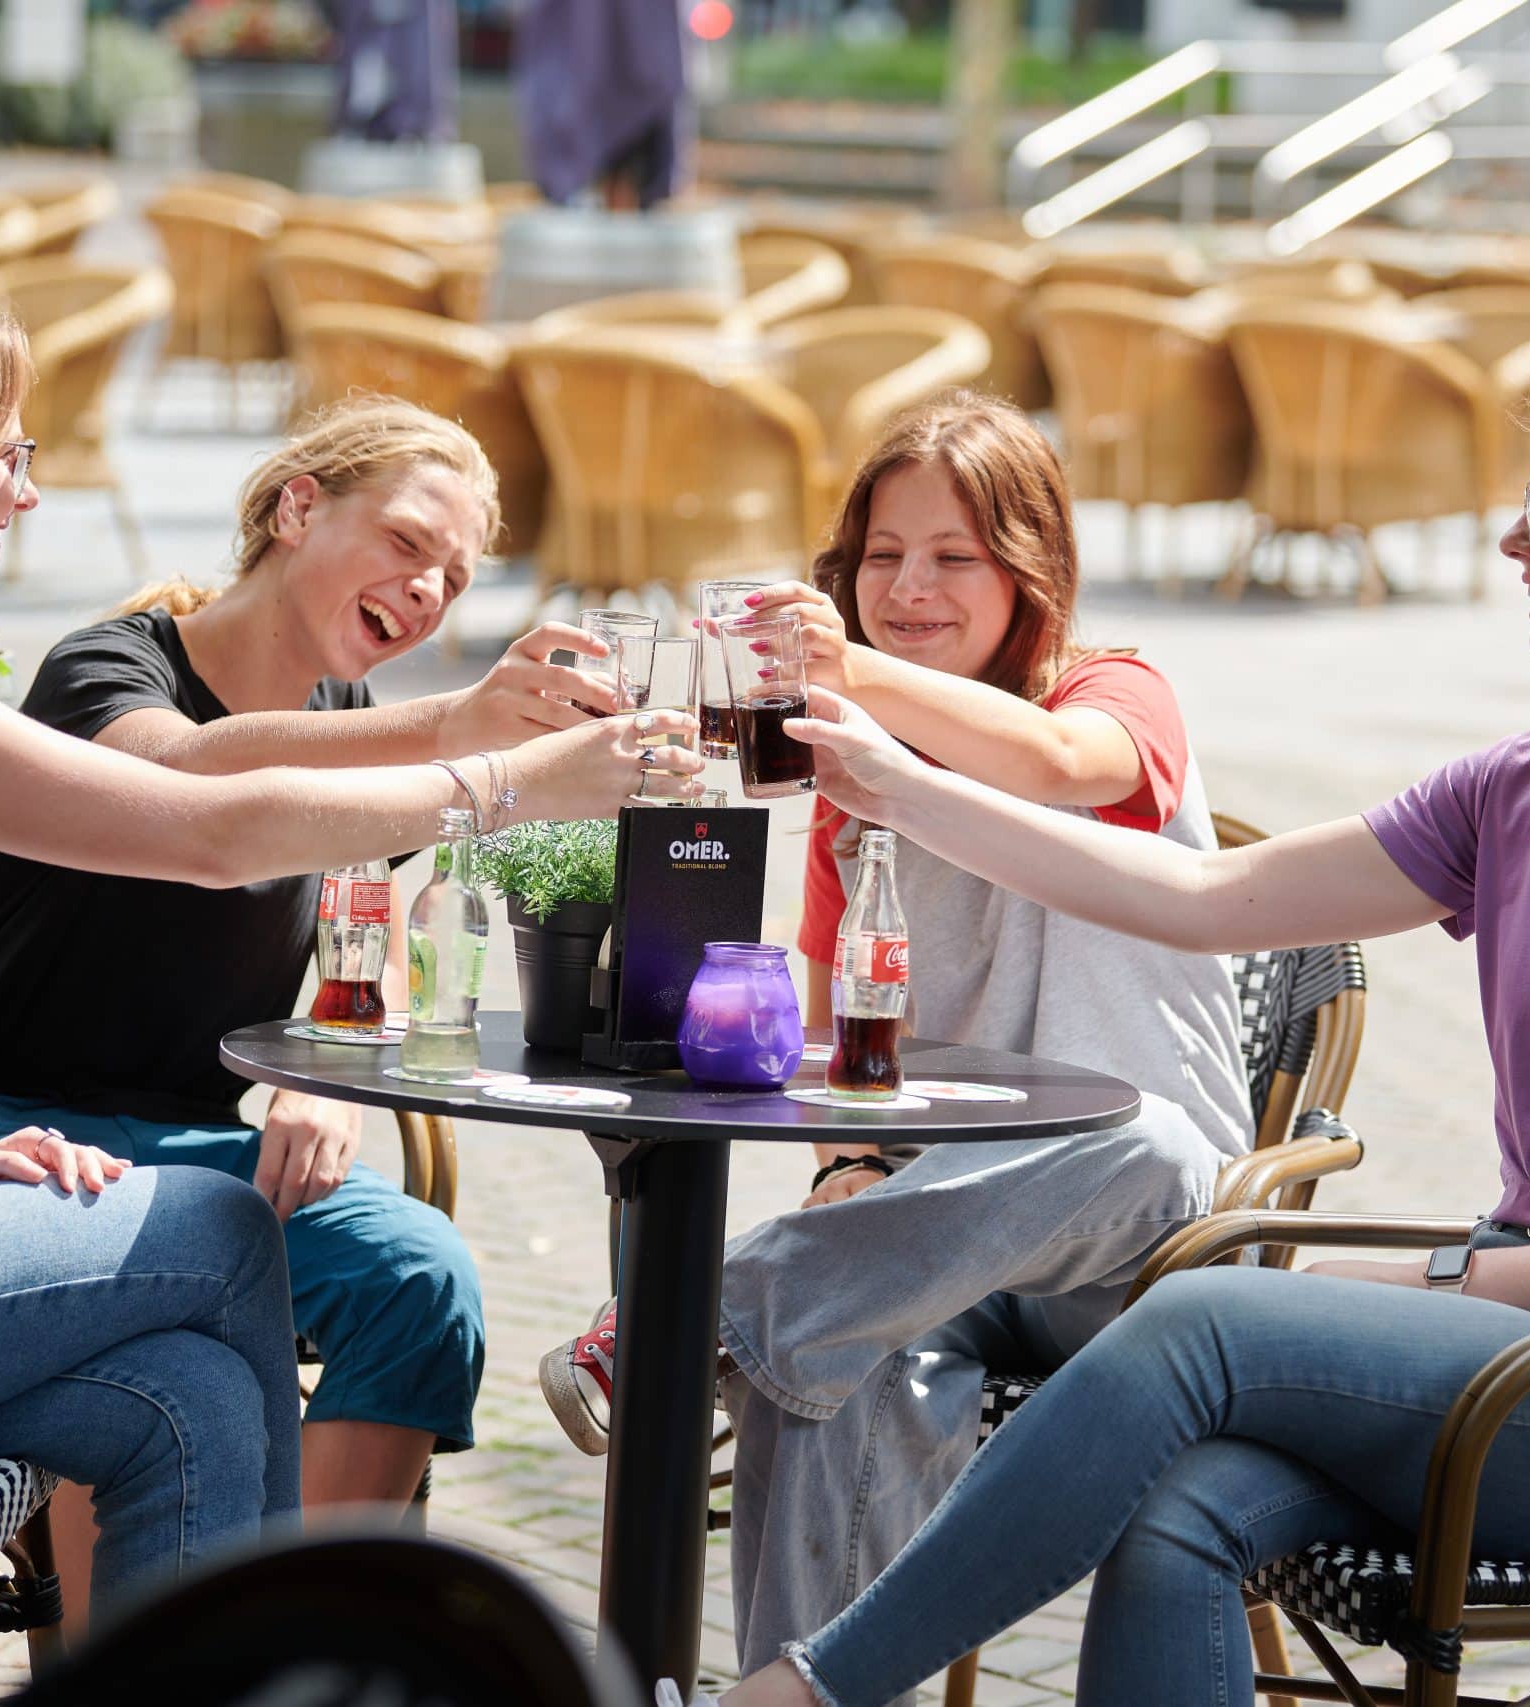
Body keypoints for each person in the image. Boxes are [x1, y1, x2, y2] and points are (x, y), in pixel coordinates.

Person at [688, 349, 1530, 1705]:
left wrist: (1434, 1283)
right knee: (1182, 1507)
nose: (1514, 539)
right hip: (1518, 1341)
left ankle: (803, 1692)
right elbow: (1208, 893)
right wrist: (889, 783)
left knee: (1209, 1317)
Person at [0, 257, 702, 1616]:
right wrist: (509, 780)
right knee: (217, 1225)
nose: (31, 488)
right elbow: (209, 825)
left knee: (185, 1394)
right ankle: (281, 1661)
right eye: (7, 451)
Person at [539, 394, 1251, 1690]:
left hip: (1143, 1244)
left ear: (1028, 570)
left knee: (1132, 1136)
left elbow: (1061, 763)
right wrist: (842, 1168)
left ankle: (696, 1311)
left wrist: (848, 670)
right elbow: (837, 1053)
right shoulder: (851, 793)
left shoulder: (1115, 688)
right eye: (881, 557)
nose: (909, 586)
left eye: (952, 555)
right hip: (939, 1240)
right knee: (836, 1355)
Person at [0, 398, 619, 1539]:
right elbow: (188, 780)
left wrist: (320, 1079)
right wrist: (459, 731)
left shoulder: (350, 715)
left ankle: (275, 1631)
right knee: (162, 1306)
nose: (428, 590)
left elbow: (354, 957)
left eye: (456, 579)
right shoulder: (108, 668)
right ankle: (139, 1654)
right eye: (407, 544)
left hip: (188, 1143)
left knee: (420, 1278)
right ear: (296, 507)